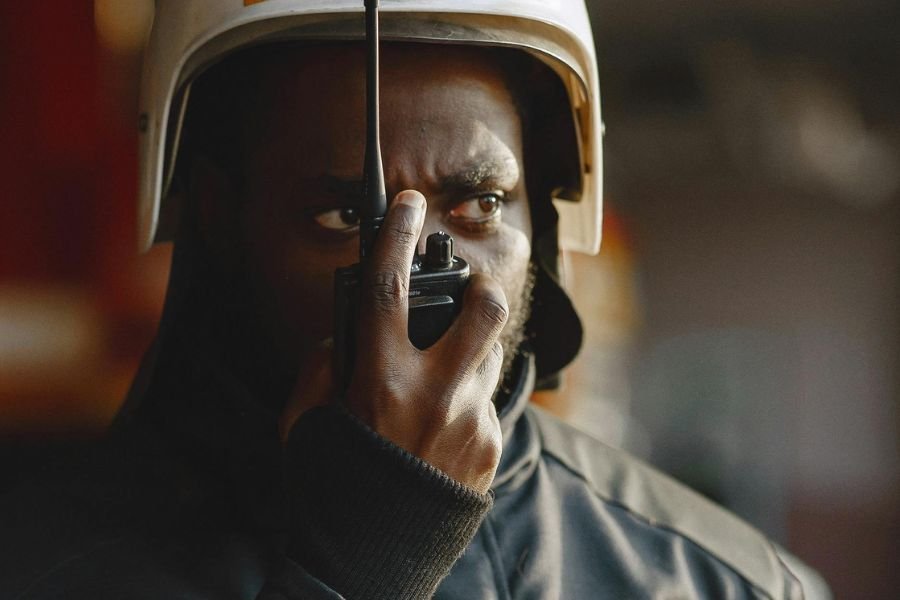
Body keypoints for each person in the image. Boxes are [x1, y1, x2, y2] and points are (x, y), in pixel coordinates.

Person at [1, 1, 829, 598]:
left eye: (480, 206)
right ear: (219, 223)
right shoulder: (37, 564)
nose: (418, 281)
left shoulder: (731, 583)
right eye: (346, 216)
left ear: (543, 214)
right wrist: (358, 569)